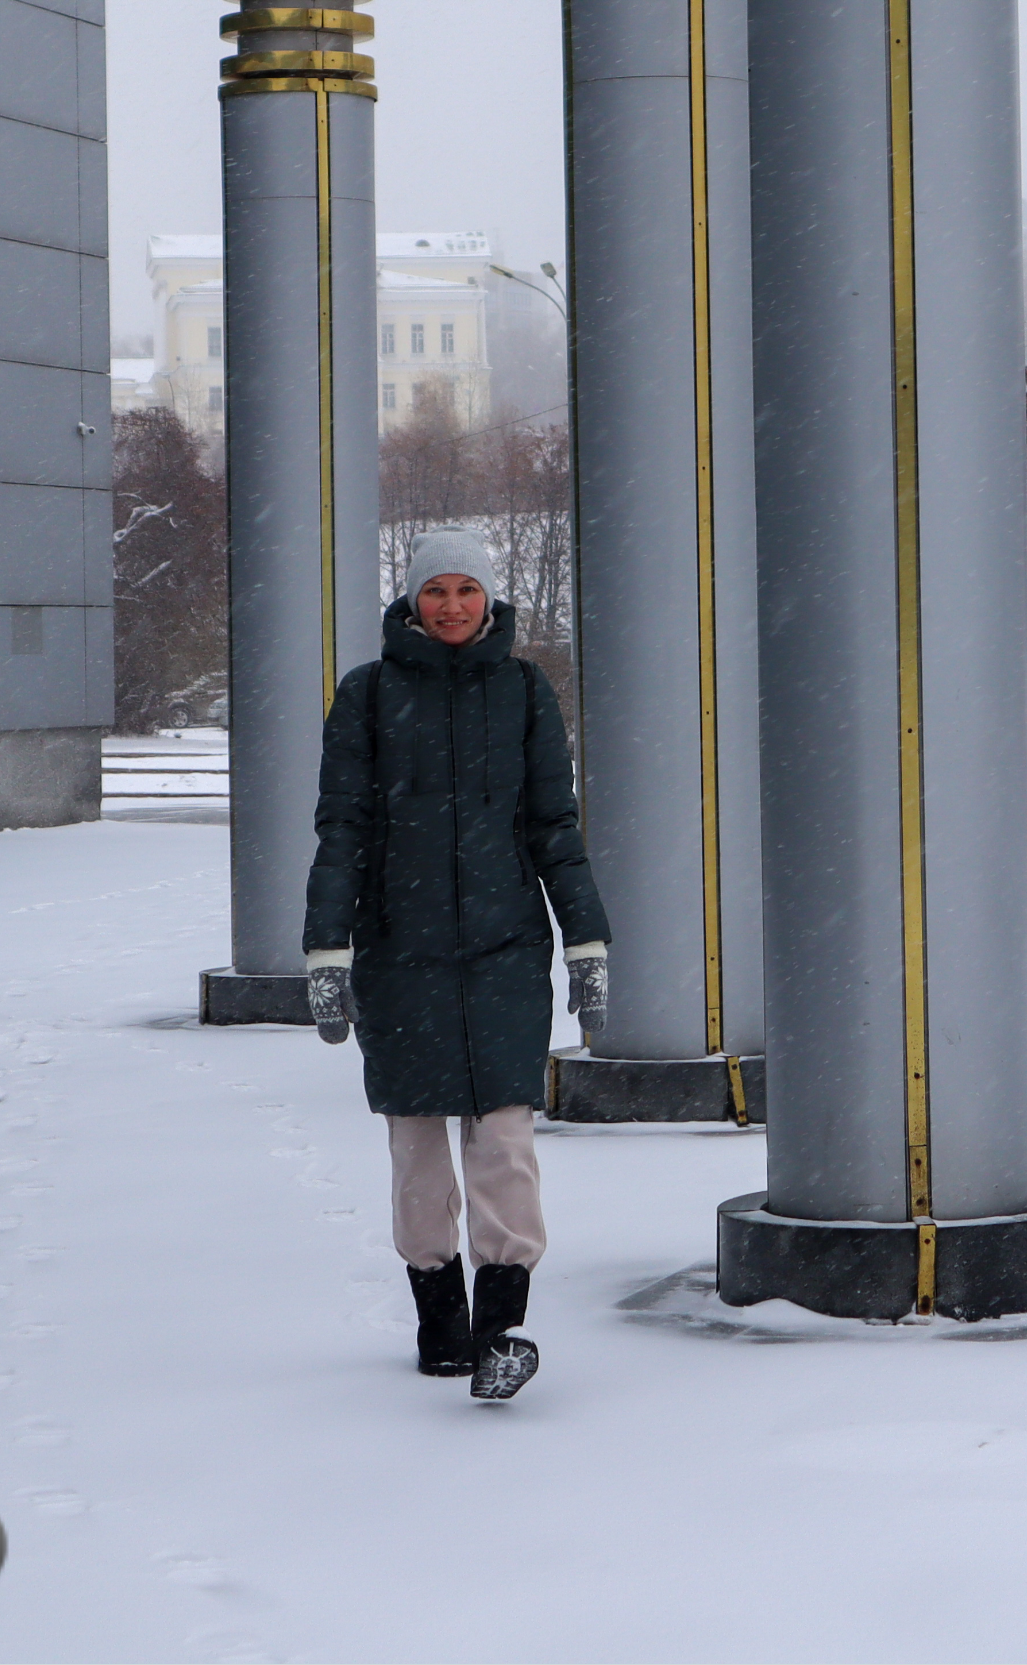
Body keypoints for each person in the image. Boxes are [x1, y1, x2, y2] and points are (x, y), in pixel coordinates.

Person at [302, 528, 609, 1401]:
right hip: (402, 954)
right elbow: (343, 833)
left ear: (489, 599)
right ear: (409, 599)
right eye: (434, 590)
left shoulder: (522, 691)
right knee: (418, 1150)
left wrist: (586, 940)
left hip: (507, 950)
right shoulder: (365, 696)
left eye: (465, 589)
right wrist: (328, 948)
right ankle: (439, 1322)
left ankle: (500, 1330)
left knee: (504, 1141)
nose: (450, 605)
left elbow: (556, 825)